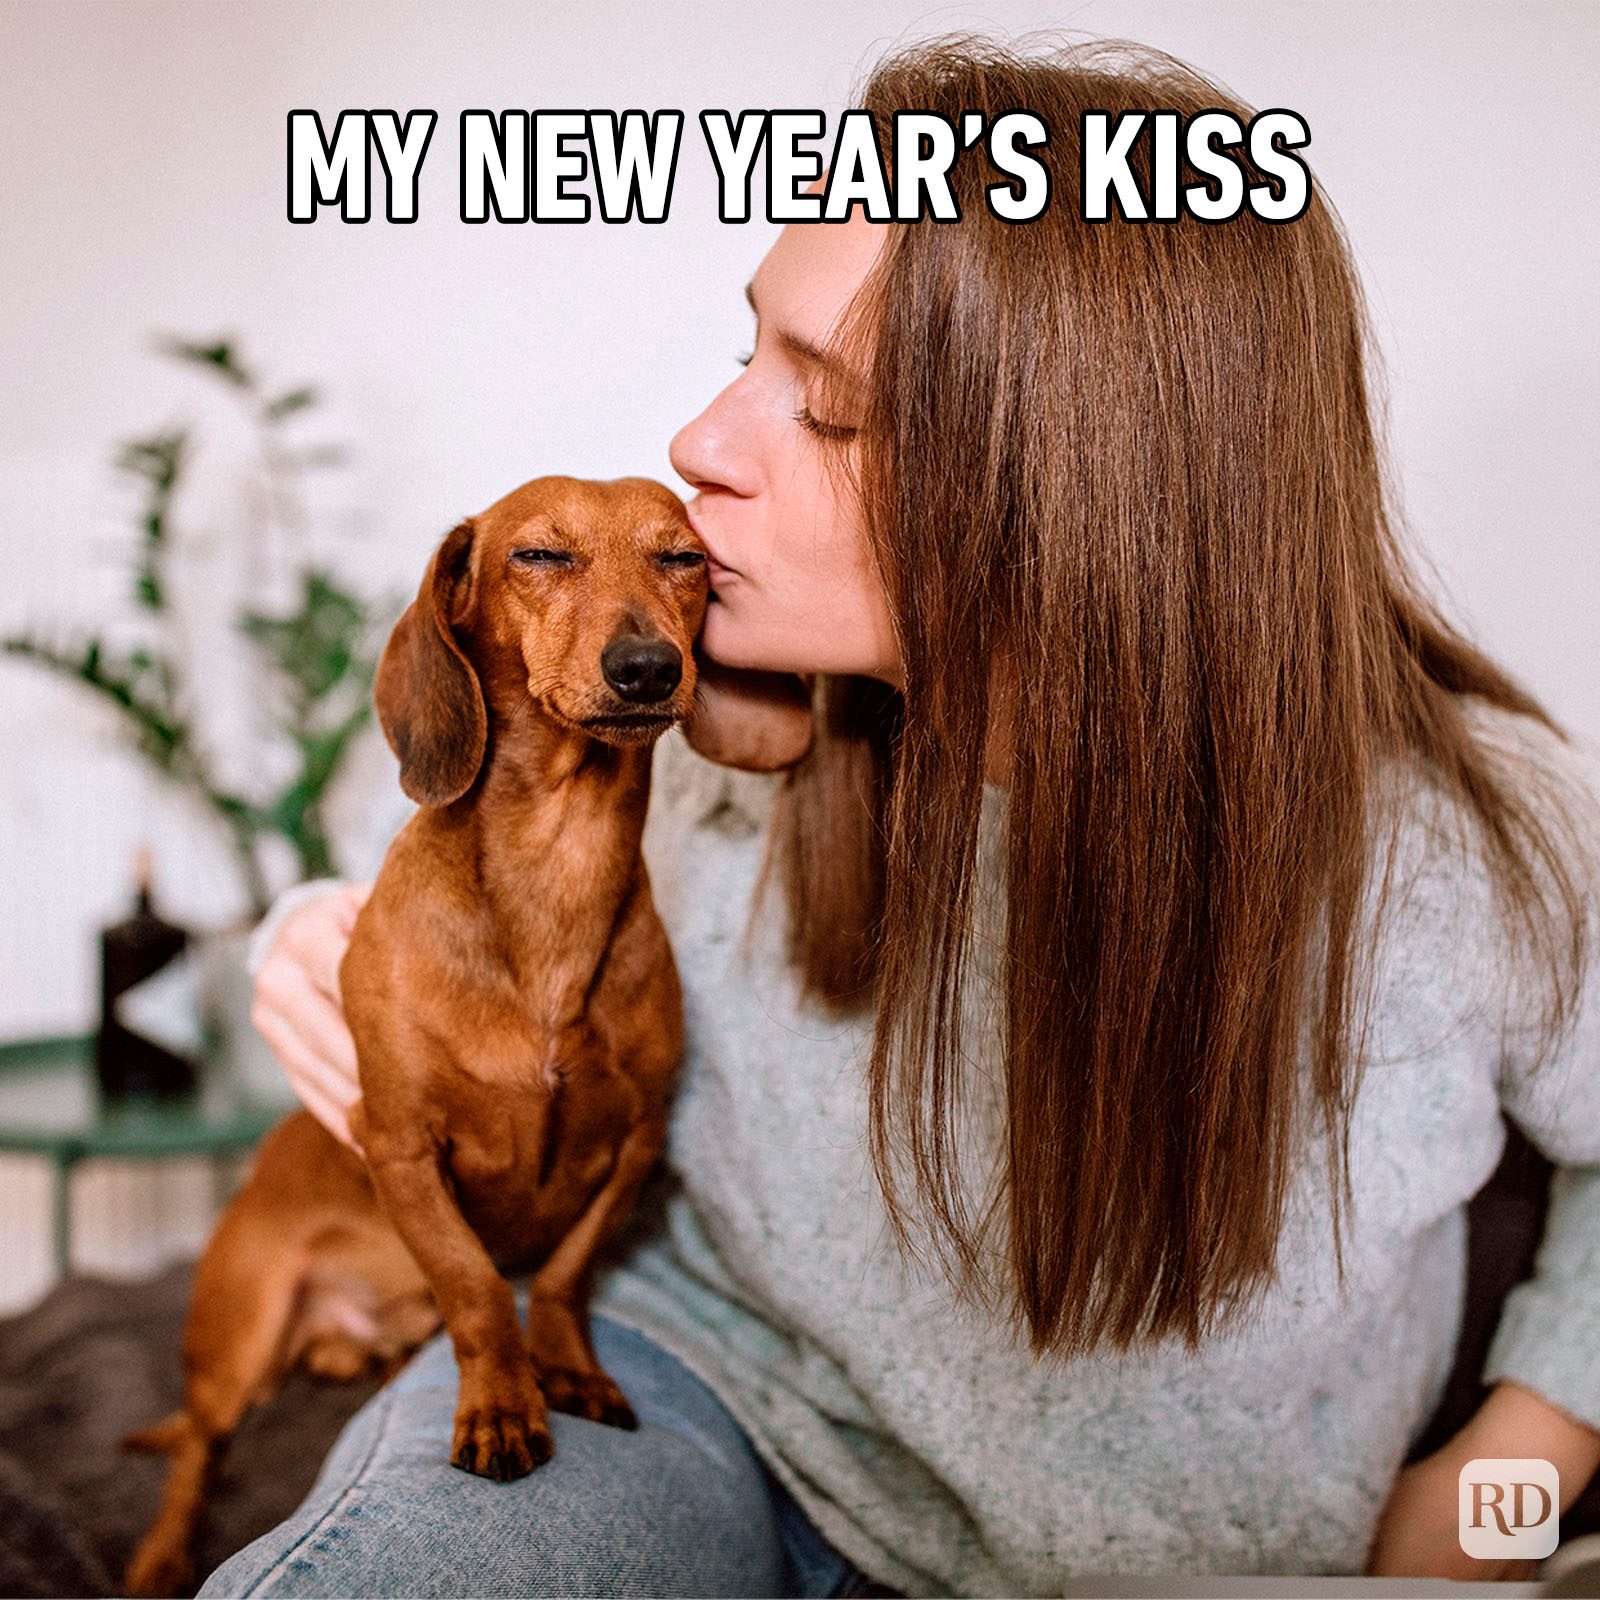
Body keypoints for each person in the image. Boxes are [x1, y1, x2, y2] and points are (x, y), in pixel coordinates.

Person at [198, 32, 1600, 1598]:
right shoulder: (703, 721)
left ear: (1082, 490)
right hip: (699, 1406)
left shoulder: (1476, 843)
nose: (697, 445)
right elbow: (475, 881)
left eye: (828, 408)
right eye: (746, 352)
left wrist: (1501, 1496)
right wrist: (305, 936)